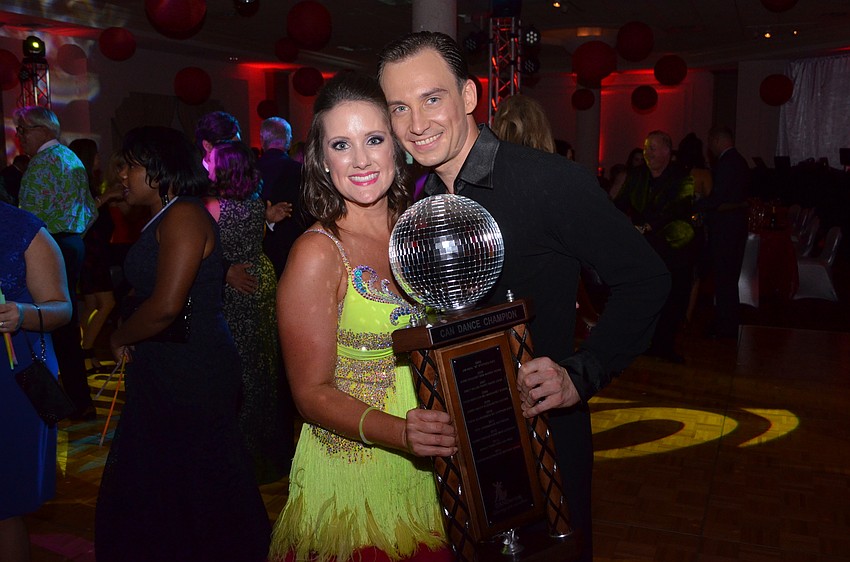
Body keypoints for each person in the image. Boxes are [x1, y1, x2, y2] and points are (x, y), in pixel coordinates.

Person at [378, 32, 670, 562]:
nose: (416, 124)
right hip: (458, 446)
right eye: (400, 107)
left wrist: (582, 373)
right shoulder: (419, 199)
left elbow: (646, 278)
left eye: (431, 99)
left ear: (468, 97)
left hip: (544, 441)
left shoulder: (547, 181)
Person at [269, 72, 454, 562]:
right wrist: (402, 434)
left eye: (373, 139)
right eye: (341, 144)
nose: (361, 160)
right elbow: (309, 394)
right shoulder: (317, 251)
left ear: (396, 147)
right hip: (355, 475)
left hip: (435, 465)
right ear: (322, 161)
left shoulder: (424, 231)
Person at [95, 126, 270, 562]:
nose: (122, 177)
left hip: (191, 366)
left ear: (158, 170)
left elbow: (167, 305)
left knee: (198, 475)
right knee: (170, 474)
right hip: (171, 362)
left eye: (130, 167)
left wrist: (118, 335)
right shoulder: (168, 215)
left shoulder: (183, 215)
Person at [204, 140, 291, 484]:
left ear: (222, 168)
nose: (205, 165)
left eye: (210, 161)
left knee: (240, 366)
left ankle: (243, 450)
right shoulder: (256, 206)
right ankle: (267, 450)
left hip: (235, 288)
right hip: (260, 277)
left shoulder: (212, 208)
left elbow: (205, 254)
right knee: (262, 363)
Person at [15, 105, 97, 420]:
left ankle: (53, 402)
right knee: (66, 323)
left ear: (43, 130)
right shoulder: (71, 158)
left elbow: (27, 222)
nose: (20, 137)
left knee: (49, 323)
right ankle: (79, 400)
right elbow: (92, 209)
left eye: (24, 130)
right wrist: (74, 236)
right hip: (73, 244)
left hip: (50, 247)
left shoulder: (40, 166)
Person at [0, 203, 72, 562]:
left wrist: (22, 314)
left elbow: (61, 307)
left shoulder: (23, 230)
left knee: (4, 506)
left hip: (9, 385)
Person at [615, 130, 695, 364]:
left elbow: (678, 207)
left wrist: (648, 226)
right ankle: (644, 342)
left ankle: (665, 345)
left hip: (673, 246)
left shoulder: (681, 176)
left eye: (652, 148)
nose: (646, 153)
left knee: (673, 296)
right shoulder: (637, 175)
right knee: (646, 294)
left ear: (667, 152)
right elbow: (621, 203)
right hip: (645, 248)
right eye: (645, 148)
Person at [69, 139, 124, 372]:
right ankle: (85, 351)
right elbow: (83, 215)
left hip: (94, 252)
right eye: (96, 155)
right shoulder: (79, 185)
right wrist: (108, 196)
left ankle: (82, 353)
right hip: (91, 254)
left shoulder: (88, 185)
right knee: (107, 303)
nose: (99, 159)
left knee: (92, 303)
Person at [697, 125, 750, 339]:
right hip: (734, 228)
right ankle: (727, 323)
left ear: (717, 140)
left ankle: (725, 327)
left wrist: (698, 204)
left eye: (710, 142)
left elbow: (719, 199)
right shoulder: (740, 161)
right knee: (728, 279)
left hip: (726, 230)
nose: (710, 147)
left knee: (724, 279)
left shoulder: (727, 163)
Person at [255, 116, 309, 279]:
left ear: (262, 139)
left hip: (257, 258)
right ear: (289, 140)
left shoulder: (250, 170)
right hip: (294, 255)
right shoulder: (301, 172)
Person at [676, 133, 713, 325]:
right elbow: (711, 199)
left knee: (676, 270)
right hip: (695, 228)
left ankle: (673, 312)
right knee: (695, 274)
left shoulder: (675, 172)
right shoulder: (703, 174)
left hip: (675, 228)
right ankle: (687, 316)